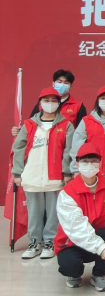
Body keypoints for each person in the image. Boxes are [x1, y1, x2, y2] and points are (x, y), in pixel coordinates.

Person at [11, 87, 74, 260]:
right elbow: (18, 149)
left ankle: (49, 242)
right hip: (31, 174)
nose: (50, 103)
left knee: (53, 212)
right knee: (34, 212)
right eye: (46, 100)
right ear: (40, 103)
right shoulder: (29, 124)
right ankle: (34, 242)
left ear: (59, 103)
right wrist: (17, 173)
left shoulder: (66, 124)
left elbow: (69, 150)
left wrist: (66, 172)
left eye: (54, 100)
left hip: (55, 176)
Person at [56, 143, 105, 291]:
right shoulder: (67, 193)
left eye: (94, 161)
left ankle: (99, 275)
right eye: (84, 161)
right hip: (71, 243)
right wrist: (101, 248)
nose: (89, 165)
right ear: (77, 164)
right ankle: (74, 274)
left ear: (100, 164)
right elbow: (77, 227)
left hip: (97, 238)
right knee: (70, 266)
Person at [70, 86, 105, 184]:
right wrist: (76, 170)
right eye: (103, 98)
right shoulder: (87, 121)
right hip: (91, 172)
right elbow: (76, 148)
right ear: (98, 100)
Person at [11, 69, 86, 136]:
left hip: (66, 144)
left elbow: (81, 132)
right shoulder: (42, 104)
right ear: (53, 83)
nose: (62, 85)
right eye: (59, 82)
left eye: (66, 83)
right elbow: (31, 125)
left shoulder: (78, 106)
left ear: (71, 86)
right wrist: (20, 131)